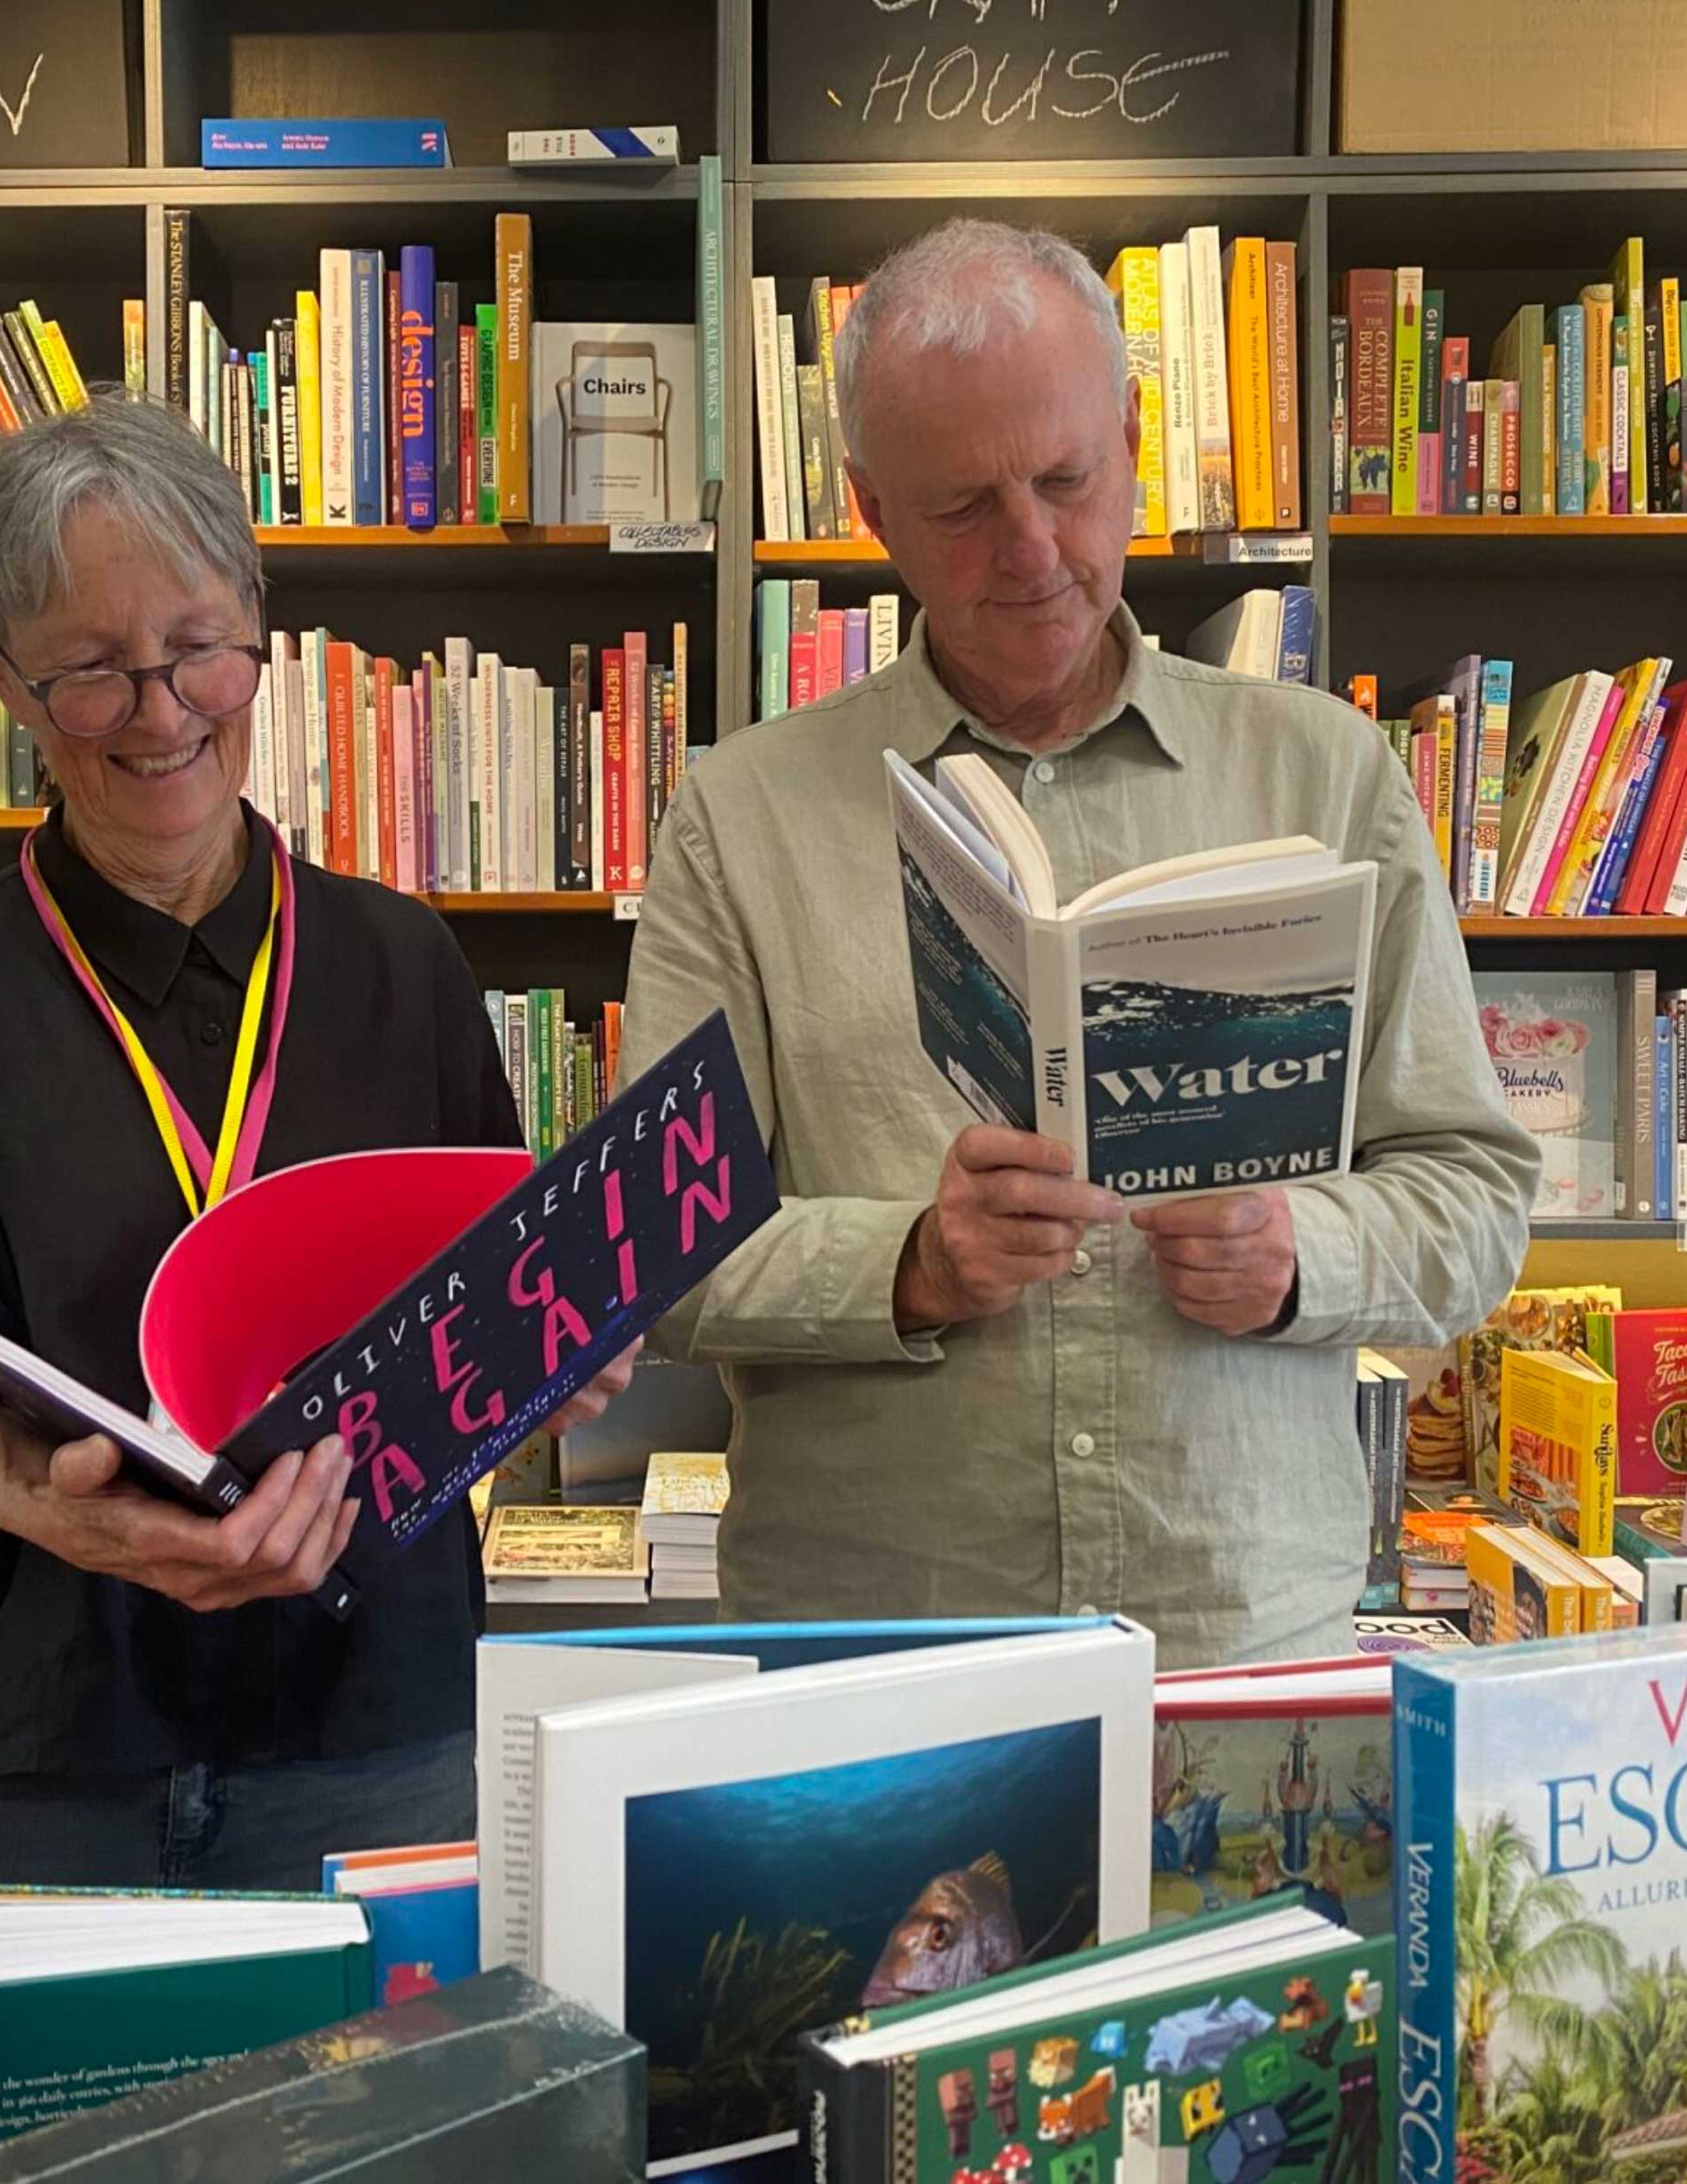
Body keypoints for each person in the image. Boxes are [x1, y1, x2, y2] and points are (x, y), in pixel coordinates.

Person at [622, 220, 1536, 1666]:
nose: (1033, 549)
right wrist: (914, 1263)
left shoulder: (1328, 773)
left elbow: (1477, 1198)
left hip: (1234, 1624)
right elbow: (651, 1261)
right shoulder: (743, 816)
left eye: (1064, 480)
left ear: (1130, 442)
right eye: (963, 507)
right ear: (867, 508)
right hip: (877, 1647)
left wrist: (1305, 1251)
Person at [0, 396, 630, 1887]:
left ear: (260, 620)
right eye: (91, 675)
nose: (164, 710)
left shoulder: (402, 962)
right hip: (30, 1740)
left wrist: (552, 1352)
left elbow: (490, 1296)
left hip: (371, 1728)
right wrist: (94, 1530)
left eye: (197, 647)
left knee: (376, 2121)